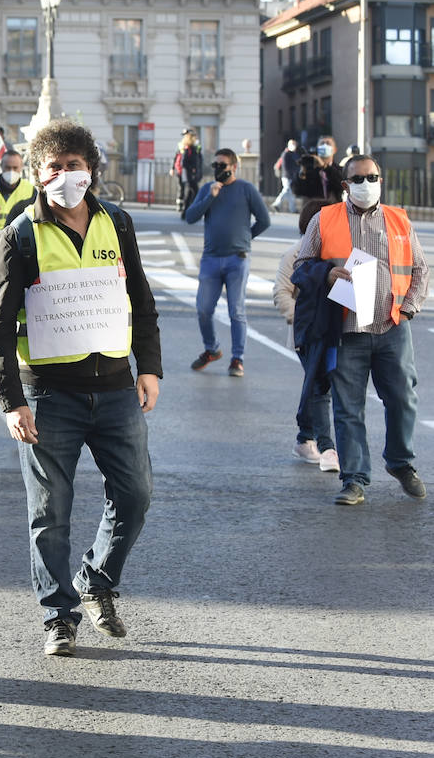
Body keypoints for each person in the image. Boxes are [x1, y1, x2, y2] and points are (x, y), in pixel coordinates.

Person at [0, 119, 162, 657]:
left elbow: (142, 302)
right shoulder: (18, 235)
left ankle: (97, 579)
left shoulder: (119, 224)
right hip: (47, 396)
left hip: (114, 389)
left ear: (92, 171)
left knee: (135, 494)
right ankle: (58, 616)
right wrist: (11, 401)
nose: (66, 176)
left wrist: (149, 367)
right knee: (50, 513)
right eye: (54, 168)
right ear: (38, 175)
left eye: (75, 166)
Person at [293, 155, 429, 506]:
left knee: (403, 399)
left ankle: (401, 463)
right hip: (346, 329)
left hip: (391, 326)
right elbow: (301, 266)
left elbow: (420, 269)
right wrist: (326, 274)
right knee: (347, 407)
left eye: (373, 177)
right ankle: (354, 479)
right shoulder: (326, 219)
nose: (367, 184)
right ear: (346, 184)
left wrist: (409, 309)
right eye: (359, 178)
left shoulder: (398, 219)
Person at [183, 148, 271, 377]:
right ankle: (212, 349)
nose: (218, 170)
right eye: (215, 166)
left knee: (236, 311)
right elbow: (190, 217)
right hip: (211, 259)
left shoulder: (246, 189)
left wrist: (245, 238)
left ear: (234, 167)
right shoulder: (207, 189)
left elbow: (264, 220)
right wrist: (210, 197)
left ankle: (237, 359)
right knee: (203, 309)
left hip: (237, 259)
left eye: (222, 165)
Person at [274, 201, 337, 471]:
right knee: (320, 385)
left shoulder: (336, 254)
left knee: (318, 383)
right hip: (306, 335)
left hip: (333, 330)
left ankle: (304, 437)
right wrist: (301, 320)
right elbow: (281, 293)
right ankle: (327, 446)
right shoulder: (295, 254)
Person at [0, 150, 35, 231]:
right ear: (1, 166)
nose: (11, 171)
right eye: (8, 167)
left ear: (21, 167)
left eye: (15, 168)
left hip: (19, 238)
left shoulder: (31, 190)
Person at [173, 129, 203, 215]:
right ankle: (187, 210)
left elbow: (199, 159)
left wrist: (197, 171)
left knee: (190, 193)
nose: (195, 139)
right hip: (189, 175)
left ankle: (186, 212)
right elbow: (184, 162)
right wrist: (192, 170)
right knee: (193, 191)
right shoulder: (187, 148)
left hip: (192, 174)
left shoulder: (194, 147)